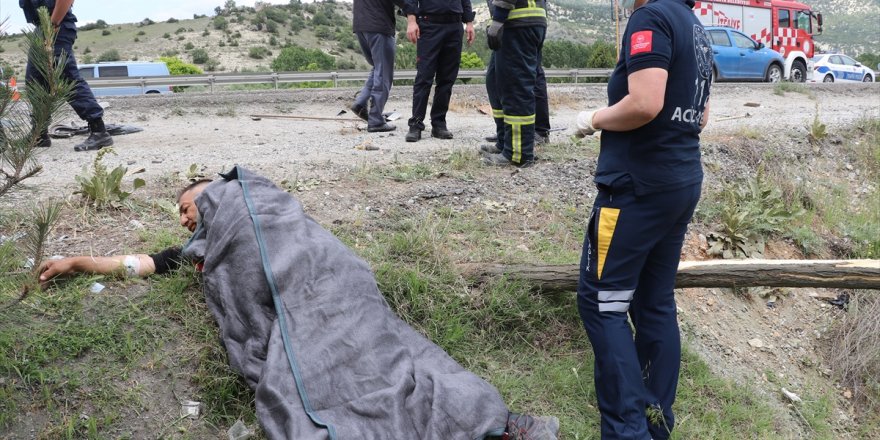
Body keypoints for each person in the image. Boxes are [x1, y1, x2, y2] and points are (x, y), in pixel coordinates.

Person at [40, 168, 561, 440]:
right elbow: (144, 263)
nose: (182, 220)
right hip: (293, 305)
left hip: (335, 285)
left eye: (185, 207)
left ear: (213, 193)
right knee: (326, 379)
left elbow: (298, 240)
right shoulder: (201, 247)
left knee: (399, 361)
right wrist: (80, 261)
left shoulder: (253, 202)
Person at [572, 0, 712, 437]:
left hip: (635, 189)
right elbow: (701, 115)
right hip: (680, 180)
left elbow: (646, 103)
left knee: (603, 303)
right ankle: (655, 420)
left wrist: (591, 119)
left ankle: (626, 429)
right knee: (654, 302)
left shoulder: (650, 18)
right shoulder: (695, 27)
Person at [20, 0, 114, 152]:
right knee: (35, 81)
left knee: (67, 78)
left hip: (57, 23)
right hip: (41, 28)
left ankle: (99, 131)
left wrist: (53, 24)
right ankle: (39, 134)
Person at [480, 0, 547, 168]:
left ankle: (518, 153)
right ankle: (505, 143)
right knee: (495, 82)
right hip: (517, 22)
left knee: (516, 89)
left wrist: (499, 18)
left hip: (518, 23)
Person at [402, 0, 476, 142]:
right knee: (424, 77)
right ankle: (416, 125)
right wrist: (411, 21)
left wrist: (469, 23)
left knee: (447, 78)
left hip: (454, 25)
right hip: (429, 24)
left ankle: (439, 124)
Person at [350, 0, 407, 133]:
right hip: (379, 25)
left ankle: (360, 103)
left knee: (378, 67)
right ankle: (376, 120)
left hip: (361, 25)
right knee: (384, 73)